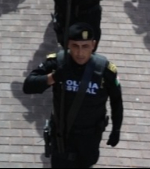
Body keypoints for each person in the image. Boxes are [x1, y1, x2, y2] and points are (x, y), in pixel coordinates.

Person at [22, 23, 123, 168]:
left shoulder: (104, 70)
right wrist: (54, 77)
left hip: (89, 137)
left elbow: (116, 100)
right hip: (63, 135)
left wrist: (116, 129)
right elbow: (28, 85)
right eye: (75, 46)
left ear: (93, 45)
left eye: (85, 46)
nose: (80, 53)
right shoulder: (58, 62)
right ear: (68, 44)